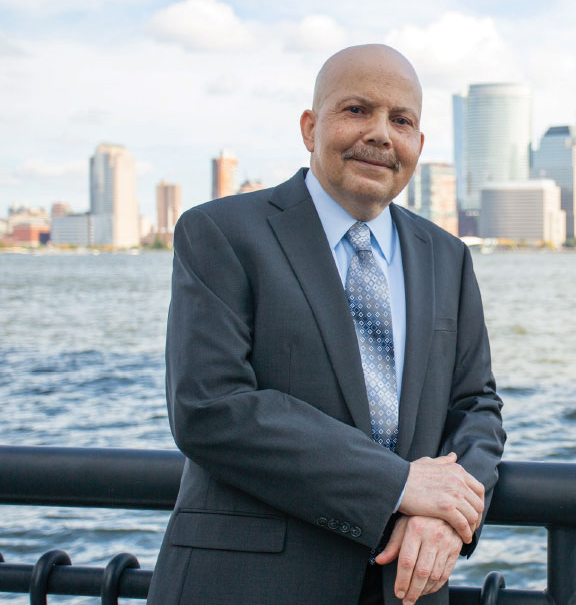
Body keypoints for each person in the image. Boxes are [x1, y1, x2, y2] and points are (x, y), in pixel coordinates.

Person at [147, 45, 506, 605]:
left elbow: (476, 405)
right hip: (247, 586)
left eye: (402, 120)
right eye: (357, 110)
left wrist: (450, 516)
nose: (382, 135)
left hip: (405, 587)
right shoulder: (219, 232)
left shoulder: (448, 256)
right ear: (310, 128)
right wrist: (401, 486)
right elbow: (209, 407)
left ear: (418, 144)